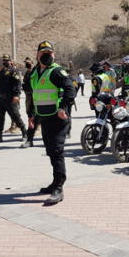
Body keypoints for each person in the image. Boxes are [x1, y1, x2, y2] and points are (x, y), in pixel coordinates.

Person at [28, 41, 76, 204]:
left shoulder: (57, 71)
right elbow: (35, 95)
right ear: (37, 55)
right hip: (44, 117)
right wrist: (32, 115)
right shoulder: (35, 72)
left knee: (56, 151)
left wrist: (63, 107)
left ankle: (59, 188)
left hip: (58, 118)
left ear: (53, 54)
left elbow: (70, 90)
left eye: (49, 52)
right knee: (50, 151)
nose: (46, 55)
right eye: (43, 53)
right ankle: (55, 182)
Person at [0, 54, 27, 143]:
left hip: (10, 99)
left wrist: (16, 95)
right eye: (4, 60)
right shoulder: (2, 71)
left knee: (15, 116)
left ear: (10, 61)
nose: (5, 62)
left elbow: (17, 84)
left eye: (6, 60)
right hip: (0, 99)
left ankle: (25, 133)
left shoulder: (14, 71)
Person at [21, 57, 41, 148]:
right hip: (31, 95)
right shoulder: (31, 72)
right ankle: (30, 140)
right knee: (31, 115)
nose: (26, 64)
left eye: (28, 62)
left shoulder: (36, 70)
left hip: (38, 96)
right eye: (26, 62)